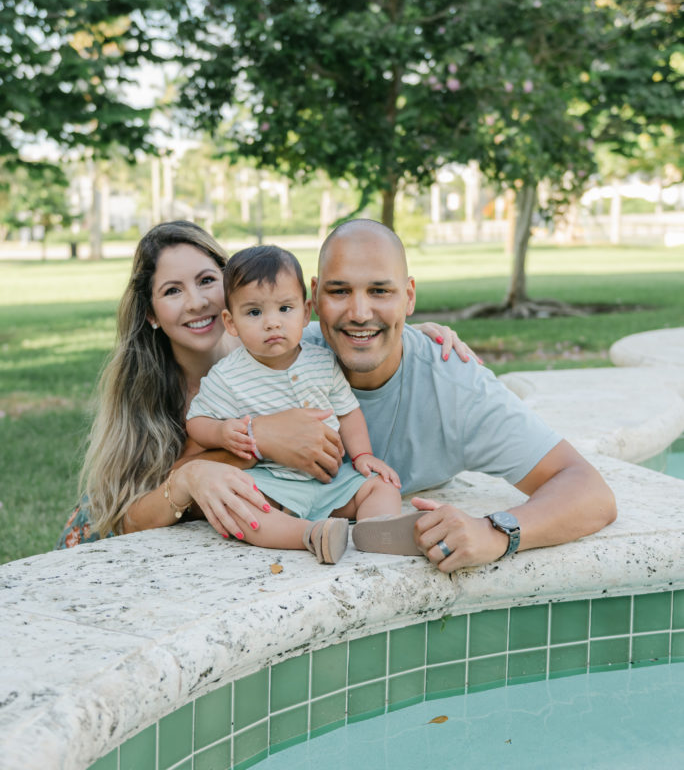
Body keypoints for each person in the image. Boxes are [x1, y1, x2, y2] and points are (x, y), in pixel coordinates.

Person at [57, 221, 463, 548]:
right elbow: (127, 520)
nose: (197, 302)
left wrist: (413, 336)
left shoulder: (278, 342)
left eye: (206, 280)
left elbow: (353, 330)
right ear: (152, 314)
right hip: (109, 534)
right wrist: (245, 445)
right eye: (172, 291)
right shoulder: (148, 393)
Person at [306, 219, 618, 571]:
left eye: (380, 291)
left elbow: (591, 493)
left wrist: (496, 532)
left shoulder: (455, 384)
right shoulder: (275, 357)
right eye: (339, 291)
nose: (360, 314)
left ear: (408, 297)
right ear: (314, 297)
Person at [185, 245, 408, 564]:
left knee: (381, 486)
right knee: (240, 506)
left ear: (306, 312)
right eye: (254, 312)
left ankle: (375, 531)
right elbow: (196, 421)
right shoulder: (227, 376)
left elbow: (348, 412)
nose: (272, 323)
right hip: (275, 486)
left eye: (284, 309)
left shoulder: (322, 360)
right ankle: (310, 535)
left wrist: (362, 456)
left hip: (332, 481)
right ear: (230, 322)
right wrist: (221, 432)